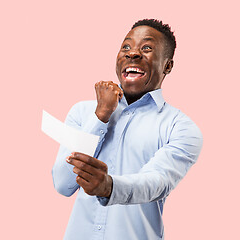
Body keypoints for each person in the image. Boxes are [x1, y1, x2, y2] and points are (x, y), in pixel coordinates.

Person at [52, 19, 203, 240]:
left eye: (147, 48)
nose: (132, 54)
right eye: (126, 47)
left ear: (167, 66)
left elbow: (156, 182)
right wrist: (101, 116)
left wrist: (109, 187)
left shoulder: (181, 128)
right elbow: (63, 184)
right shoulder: (83, 112)